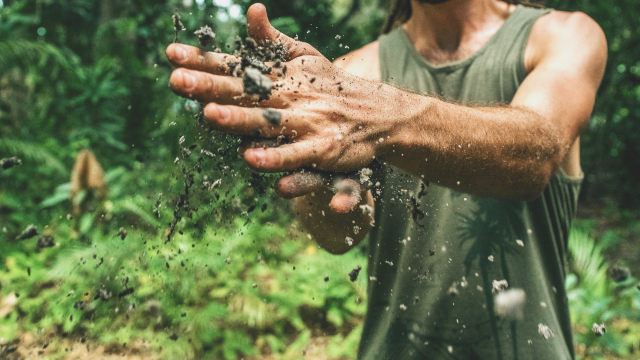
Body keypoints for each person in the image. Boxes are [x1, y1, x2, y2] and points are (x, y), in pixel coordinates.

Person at [166, 0, 606, 358]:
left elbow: (534, 153)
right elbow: (339, 235)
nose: (366, 109)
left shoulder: (564, 36)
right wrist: (329, 191)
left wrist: (382, 118)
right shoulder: (353, 74)